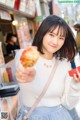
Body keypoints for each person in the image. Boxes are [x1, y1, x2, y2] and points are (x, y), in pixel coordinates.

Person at [15, 15, 80, 120]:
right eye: (51, 35)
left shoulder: (64, 64)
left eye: (61, 38)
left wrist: (76, 84)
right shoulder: (27, 54)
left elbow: (68, 104)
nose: (55, 42)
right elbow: (22, 70)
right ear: (42, 33)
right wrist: (25, 74)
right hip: (31, 116)